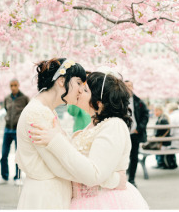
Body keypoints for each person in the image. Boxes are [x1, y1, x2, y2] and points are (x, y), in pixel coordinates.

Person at [29, 71, 149, 209]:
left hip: (103, 202)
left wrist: (56, 141)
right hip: (83, 201)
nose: (79, 91)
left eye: (85, 90)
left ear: (99, 102)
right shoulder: (94, 125)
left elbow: (95, 174)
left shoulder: (114, 125)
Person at [15, 58, 124, 209]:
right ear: (61, 81)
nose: (81, 90)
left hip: (54, 194)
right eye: (79, 83)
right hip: (45, 197)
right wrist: (111, 178)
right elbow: (59, 167)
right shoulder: (36, 113)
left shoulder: (46, 111)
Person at [0, 79, 29, 186]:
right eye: (11, 85)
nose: (13, 87)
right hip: (7, 129)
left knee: (18, 155)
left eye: (15, 85)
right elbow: (6, 111)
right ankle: (4, 176)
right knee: (4, 154)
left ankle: (17, 177)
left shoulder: (24, 98)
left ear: (18, 85)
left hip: (18, 130)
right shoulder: (7, 98)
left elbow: (27, 113)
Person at [124, 80, 149, 188]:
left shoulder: (138, 101)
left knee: (134, 157)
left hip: (134, 133)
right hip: (123, 134)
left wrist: (140, 128)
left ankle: (132, 179)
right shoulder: (119, 100)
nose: (128, 88)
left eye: (130, 86)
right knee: (123, 157)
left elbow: (145, 114)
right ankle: (122, 179)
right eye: (126, 86)